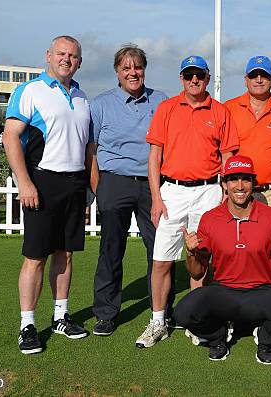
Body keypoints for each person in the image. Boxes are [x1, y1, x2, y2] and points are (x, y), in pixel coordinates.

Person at [137, 55, 239, 348]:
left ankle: (197, 320)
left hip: (207, 191)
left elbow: (227, 157)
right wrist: (156, 197)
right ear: (182, 78)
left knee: (201, 261)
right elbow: (155, 156)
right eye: (188, 75)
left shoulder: (219, 111)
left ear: (207, 78)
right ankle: (158, 321)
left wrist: (224, 193)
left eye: (199, 75)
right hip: (173, 191)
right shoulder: (167, 108)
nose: (194, 80)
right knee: (161, 261)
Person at [3, 35, 92, 354]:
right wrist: (24, 182)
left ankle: (60, 317)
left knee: (65, 254)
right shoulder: (30, 91)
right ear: (49, 56)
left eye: (73, 55)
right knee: (35, 256)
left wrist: (88, 188)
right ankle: (27, 325)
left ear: (79, 61)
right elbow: (10, 136)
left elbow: (88, 148)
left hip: (74, 184)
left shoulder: (82, 97)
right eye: (62, 53)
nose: (67, 59)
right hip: (41, 182)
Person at [173, 155, 271, 364]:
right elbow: (197, 272)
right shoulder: (211, 218)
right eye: (233, 179)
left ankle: (265, 339)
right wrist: (191, 252)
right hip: (224, 291)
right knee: (183, 312)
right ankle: (218, 337)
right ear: (224, 184)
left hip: (261, 292)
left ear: (253, 184)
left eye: (245, 179)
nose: (239, 186)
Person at [89, 44, 170, 337]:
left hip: (152, 185)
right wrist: (99, 188)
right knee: (111, 250)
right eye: (126, 68)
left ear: (144, 70)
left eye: (137, 67)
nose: (132, 73)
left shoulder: (162, 101)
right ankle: (106, 313)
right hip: (114, 182)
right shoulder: (100, 104)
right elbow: (91, 150)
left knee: (159, 250)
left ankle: (161, 312)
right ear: (117, 72)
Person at [224, 56, 271, 214]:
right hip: (238, 192)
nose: (259, 80)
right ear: (245, 80)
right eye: (253, 75)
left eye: (264, 75)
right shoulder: (228, 108)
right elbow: (222, 152)